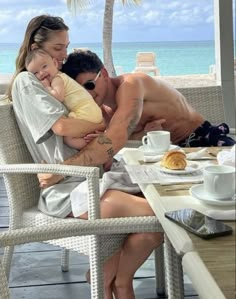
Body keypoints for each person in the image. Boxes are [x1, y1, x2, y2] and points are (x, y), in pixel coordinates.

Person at [8, 15, 163, 299]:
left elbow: (87, 119)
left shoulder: (57, 80)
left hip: (95, 178)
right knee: (161, 215)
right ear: (35, 47)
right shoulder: (28, 82)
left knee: (152, 230)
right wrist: (100, 125)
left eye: (66, 47)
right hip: (68, 188)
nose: (63, 56)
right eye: (57, 49)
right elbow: (63, 127)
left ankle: (116, 280)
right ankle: (113, 282)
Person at [62, 50, 236, 148]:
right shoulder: (101, 112)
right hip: (167, 156)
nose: (88, 94)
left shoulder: (131, 84)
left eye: (89, 85)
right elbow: (122, 140)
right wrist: (143, 134)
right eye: (80, 91)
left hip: (204, 141)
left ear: (105, 74)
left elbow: (117, 135)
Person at [25, 48, 105, 150]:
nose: (41, 73)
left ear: (54, 63)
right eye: (35, 73)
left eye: (44, 66)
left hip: (85, 111)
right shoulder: (62, 77)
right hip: (92, 110)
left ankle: (94, 147)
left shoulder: (57, 79)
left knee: (68, 139)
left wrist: (47, 88)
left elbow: (58, 97)